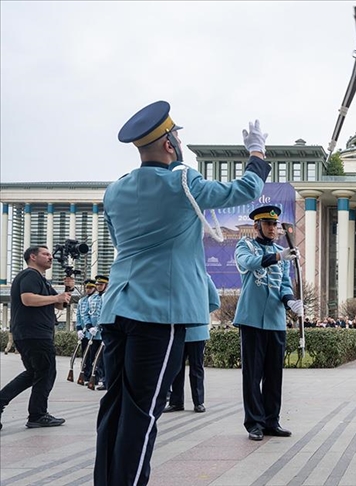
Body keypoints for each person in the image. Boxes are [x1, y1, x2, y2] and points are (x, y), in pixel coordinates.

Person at [94, 100, 270, 485]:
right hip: (160, 312)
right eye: (177, 136)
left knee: (114, 407)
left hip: (117, 309)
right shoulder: (181, 181)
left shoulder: (115, 190)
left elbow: (122, 245)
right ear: (170, 144)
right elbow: (242, 189)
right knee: (142, 412)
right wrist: (257, 154)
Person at [234, 205, 302, 441]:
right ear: (257, 226)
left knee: (274, 374)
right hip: (251, 318)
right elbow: (250, 263)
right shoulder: (245, 246)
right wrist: (278, 256)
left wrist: (291, 302)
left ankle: (272, 420)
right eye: (268, 224)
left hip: (275, 320)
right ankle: (254, 422)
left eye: (275, 224)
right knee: (252, 375)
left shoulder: (281, 254)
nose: (273, 228)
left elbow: (284, 284)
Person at [0, 245, 73, 430]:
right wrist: (56, 297)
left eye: (50, 254)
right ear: (33, 257)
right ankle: (38, 415)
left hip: (34, 334)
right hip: (34, 334)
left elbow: (59, 306)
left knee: (34, 373)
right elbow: (28, 299)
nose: (50, 257)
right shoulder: (29, 275)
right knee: (47, 372)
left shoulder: (41, 279)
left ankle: (7, 403)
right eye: (45, 254)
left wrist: (66, 290)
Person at [164, 276, 217, 414]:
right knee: (175, 368)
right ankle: (176, 402)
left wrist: (199, 314)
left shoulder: (204, 277)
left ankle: (199, 402)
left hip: (197, 331)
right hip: (177, 330)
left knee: (196, 368)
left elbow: (215, 302)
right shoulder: (176, 276)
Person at [86, 275, 108, 390]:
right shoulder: (91, 299)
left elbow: (104, 313)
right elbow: (87, 314)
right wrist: (88, 326)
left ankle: (105, 380)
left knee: (105, 358)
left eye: (101, 285)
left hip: (103, 332)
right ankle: (95, 377)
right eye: (98, 285)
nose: (99, 287)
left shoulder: (107, 297)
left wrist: (99, 326)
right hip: (93, 333)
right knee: (93, 357)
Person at [75, 279, 96, 382]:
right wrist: (79, 329)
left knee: (93, 355)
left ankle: (94, 374)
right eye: (87, 287)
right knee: (85, 354)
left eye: (90, 288)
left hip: (93, 332)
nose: (88, 290)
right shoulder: (81, 301)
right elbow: (79, 316)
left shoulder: (95, 299)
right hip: (84, 332)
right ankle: (85, 374)